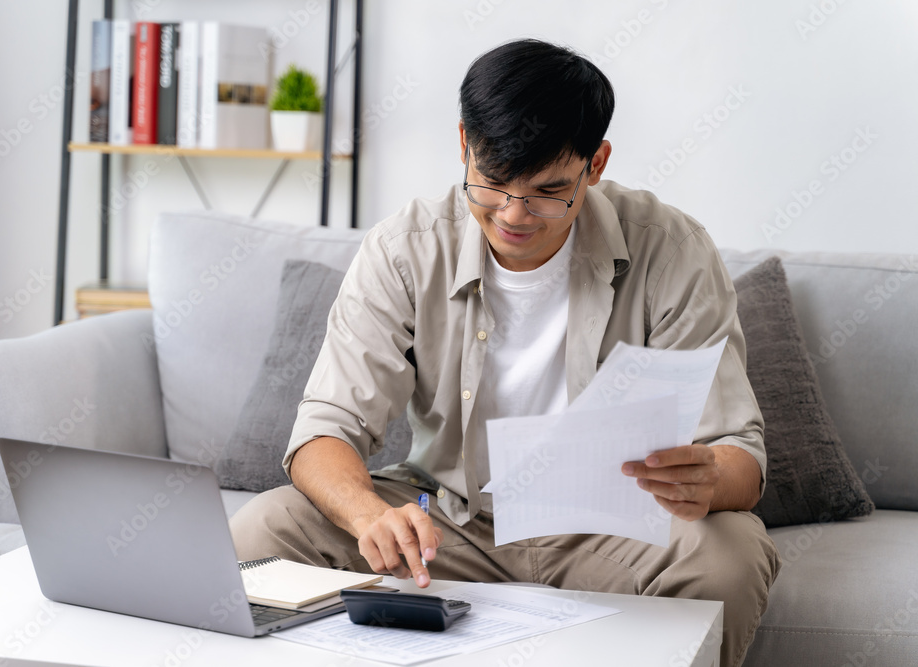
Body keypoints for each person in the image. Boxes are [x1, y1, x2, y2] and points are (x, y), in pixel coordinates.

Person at [230, 38, 780, 666]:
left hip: (610, 532)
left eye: (550, 191)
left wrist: (707, 478)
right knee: (263, 528)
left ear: (595, 164)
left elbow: (741, 454)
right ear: (464, 145)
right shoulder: (404, 249)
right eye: (491, 185)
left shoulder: (671, 248)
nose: (515, 215)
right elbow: (324, 429)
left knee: (731, 554)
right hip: (448, 524)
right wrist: (365, 516)